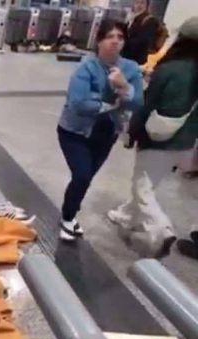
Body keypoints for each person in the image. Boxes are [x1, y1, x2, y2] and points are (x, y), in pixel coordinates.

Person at [107, 17, 198, 257]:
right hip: (186, 143)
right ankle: (126, 215)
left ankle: (161, 230)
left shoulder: (170, 69)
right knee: (149, 182)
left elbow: (145, 106)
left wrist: (132, 133)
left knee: (143, 187)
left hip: (159, 138)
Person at [56, 20, 143, 242]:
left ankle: (71, 213)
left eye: (120, 37)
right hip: (75, 132)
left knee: (86, 179)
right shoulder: (86, 67)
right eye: (110, 37)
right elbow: (77, 102)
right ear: (99, 41)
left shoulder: (130, 68)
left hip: (106, 134)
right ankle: (67, 217)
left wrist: (124, 86)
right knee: (82, 175)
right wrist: (111, 103)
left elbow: (138, 103)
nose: (115, 41)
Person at [122, 0, 160, 65]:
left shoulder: (150, 20)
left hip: (137, 60)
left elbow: (143, 41)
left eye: (142, 3)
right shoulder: (132, 18)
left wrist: (124, 43)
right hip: (127, 57)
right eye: (137, 2)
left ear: (147, 5)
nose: (139, 5)